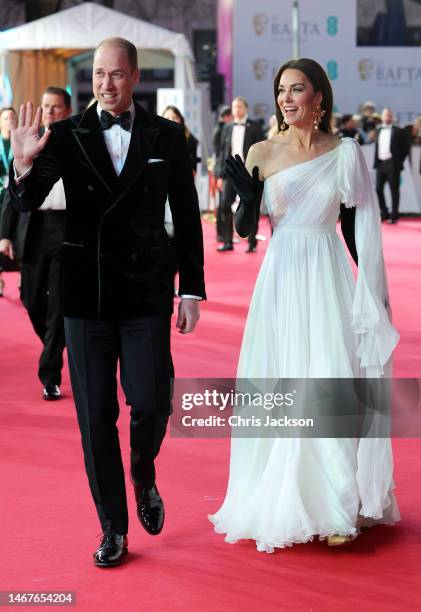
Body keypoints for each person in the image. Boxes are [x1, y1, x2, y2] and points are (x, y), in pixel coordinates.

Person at [8, 37, 206, 567]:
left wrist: (191, 288)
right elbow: (28, 200)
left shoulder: (166, 135)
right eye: (98, 73)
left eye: (116, 74)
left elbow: (186, 217)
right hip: (86, 295)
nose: (105, 83)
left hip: (146, 292)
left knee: (152, 401)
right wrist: (22, 164)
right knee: (95, 418)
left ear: (135, 76)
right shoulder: (68, 135)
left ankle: (143, 473)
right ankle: (113, 527)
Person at [209, 58, 400, 552]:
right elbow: (247, 229)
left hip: (329, 275)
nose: (286, 98)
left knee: (329, 379)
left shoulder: (345, 153)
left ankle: (337, 505)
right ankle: (284, 497)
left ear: (320, 97)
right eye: (280, 90)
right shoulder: (260, 151)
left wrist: (372, 295)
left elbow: (358, 231)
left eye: (297, 89)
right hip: (281, 277)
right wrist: (247, 201)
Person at [0, 87, 71, 400]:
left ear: (68, 110)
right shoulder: (29, 141)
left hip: (69, 230)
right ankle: (54, 345)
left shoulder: (77, 142)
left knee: (58, 307)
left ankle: (50, 374)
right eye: (46, 107)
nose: (51, 112)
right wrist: (4, 234)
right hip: (34, 228)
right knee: (31, 301)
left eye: (56, 107)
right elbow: (10, 193)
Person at [214, 96, 265, 252]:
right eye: (234, 107)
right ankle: (228, 240)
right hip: (230, 172)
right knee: (224, 205)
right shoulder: (227, 127)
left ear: (246, 108)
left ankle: (252, 242)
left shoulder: (255, 126)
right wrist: (220, 175)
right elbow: (222, 152)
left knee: (252, 206)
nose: (237, 110)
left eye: (240, 107)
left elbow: (261, 150)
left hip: (249, 171)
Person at [374, 107, 410, 223]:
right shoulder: (379, 130)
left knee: (394, 190)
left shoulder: (398, 130)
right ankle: (384, 212)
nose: (388, 117)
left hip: (393, 164)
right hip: (380, 164)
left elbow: (406, 146)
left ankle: (394, 215)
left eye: (389, 115)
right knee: (378, 188)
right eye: (386, 115)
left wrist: (399, 161)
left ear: (392, 117)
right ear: (382, 117)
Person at [0, 107, 17, 295]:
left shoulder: (19, 140)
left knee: (17, 233)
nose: (8, 121)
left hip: (15, 194)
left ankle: (21, 274)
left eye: (11, 117)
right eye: (5, 118)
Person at [161, 105, 200, 174]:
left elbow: (193, 163)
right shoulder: (158, 138)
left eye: (175, 117)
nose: (171, 120)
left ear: (180, 119)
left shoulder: (189, 139)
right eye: (167, 118)